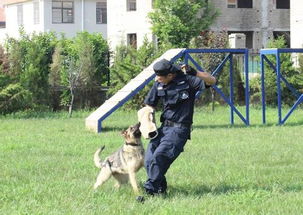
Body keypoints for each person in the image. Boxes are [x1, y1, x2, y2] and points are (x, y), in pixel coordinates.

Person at [143, 58, 216, 196]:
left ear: (170, 75)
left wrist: (195, 73)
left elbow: (212, 80)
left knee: (160, 157)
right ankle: (160, 189)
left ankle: (149, 191)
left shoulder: (188, 81)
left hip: (179, 130)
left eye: (160, 77)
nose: (157, 79)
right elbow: (150, 104)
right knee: (149, 159)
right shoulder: (158, 83)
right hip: (163, 128)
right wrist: (147, 120)